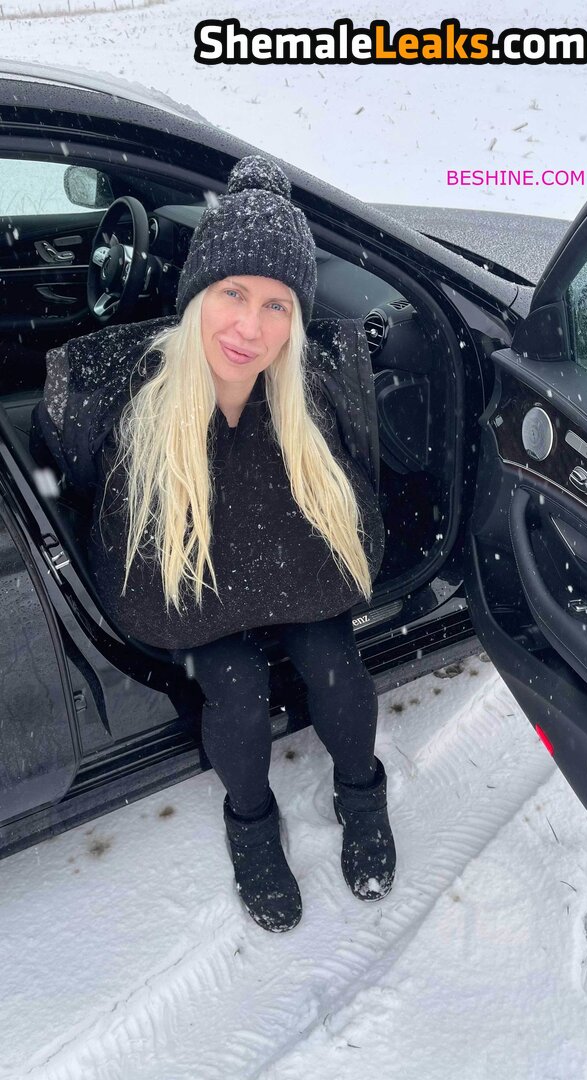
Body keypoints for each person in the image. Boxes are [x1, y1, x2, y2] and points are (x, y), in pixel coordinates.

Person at [32, 154, 396, 933]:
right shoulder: (133, 391)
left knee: (335, 666)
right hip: (200, 598)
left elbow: (351, 490)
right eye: (233, 293)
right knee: (235, 688)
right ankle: (252, 825)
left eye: (276, 305)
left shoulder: (310, 391)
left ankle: (362, 793)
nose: (249, 328)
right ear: (198, 293)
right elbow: (77, 477)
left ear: (295, 318)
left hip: (291, 578)